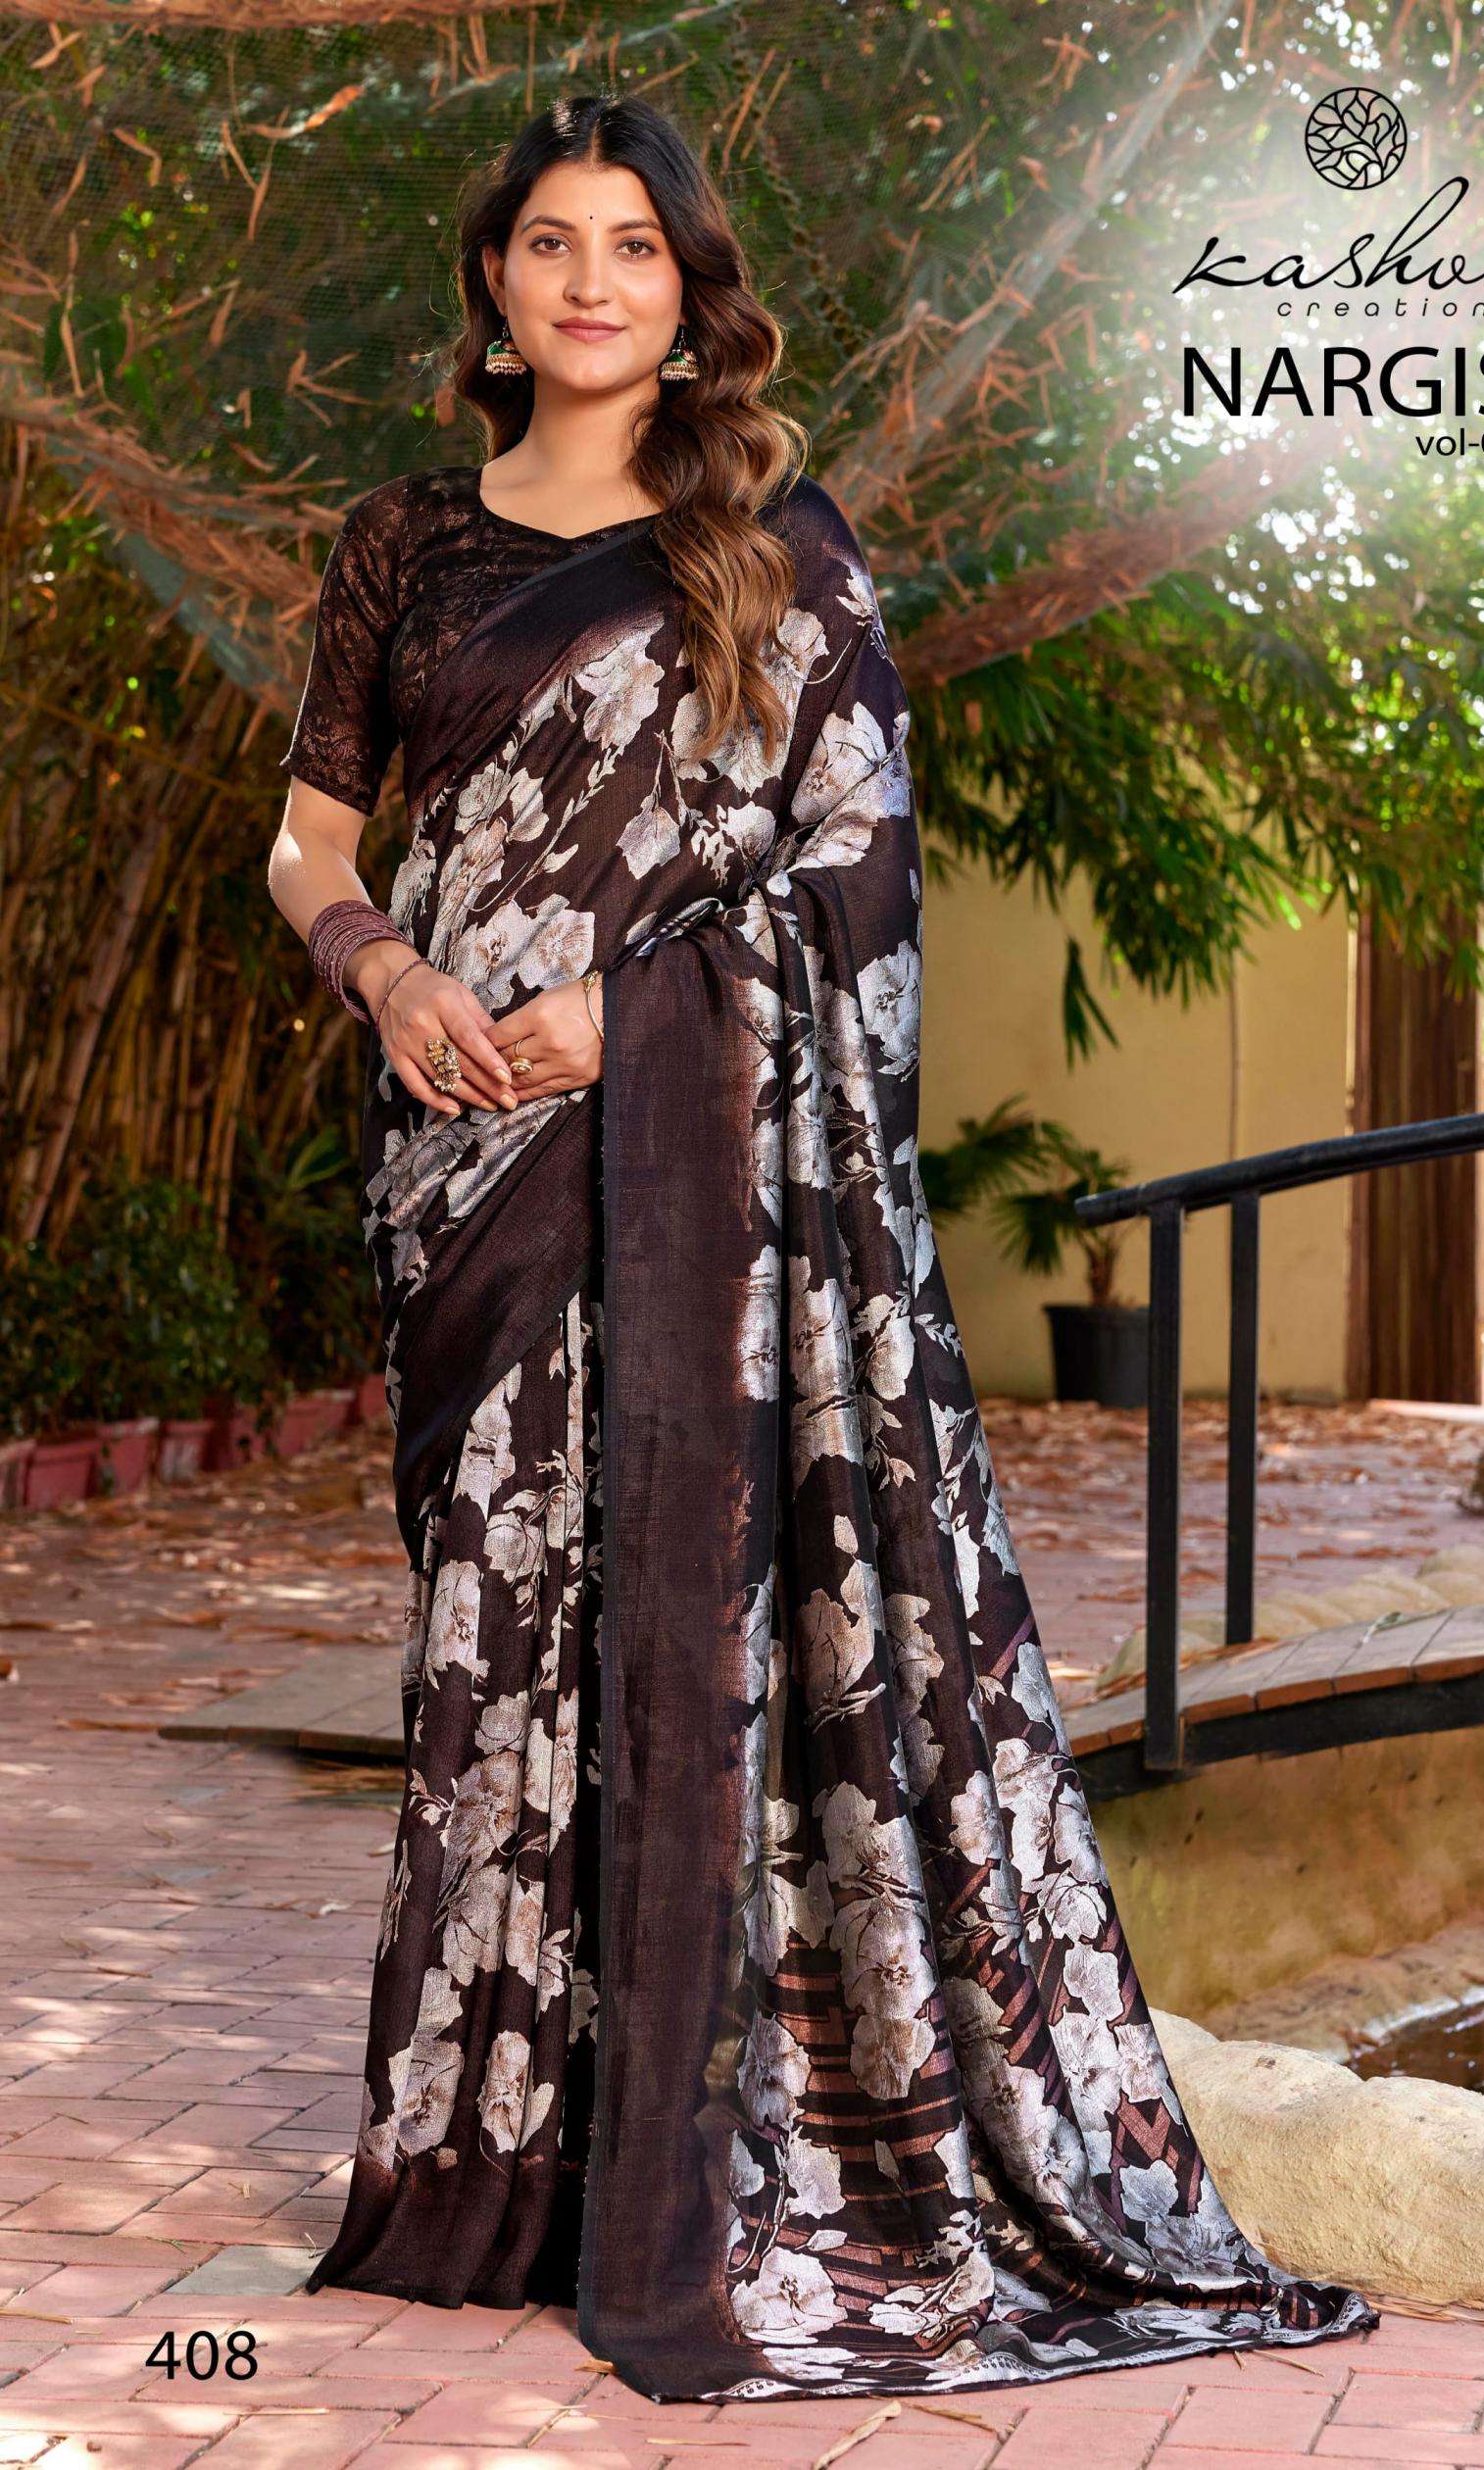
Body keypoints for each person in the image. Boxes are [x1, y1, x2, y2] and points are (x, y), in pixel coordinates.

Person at [266, 89, 1376, 2405]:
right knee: (494, 1632)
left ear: (691, 294)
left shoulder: (770, 548)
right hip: (462, 1161)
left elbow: (855, 870)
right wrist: (384, 969)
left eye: (634, 246)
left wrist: (632, 1013)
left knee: (686, 1618)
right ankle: (497, 2164)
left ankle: (693, 2166)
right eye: (551, 242)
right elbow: (309, 840)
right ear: (495, 286)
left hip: (673, 1153)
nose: (590, 281)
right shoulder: (402, 546)